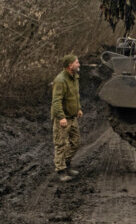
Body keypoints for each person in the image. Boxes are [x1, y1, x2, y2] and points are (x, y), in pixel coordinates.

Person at [52, 54, 83, 182]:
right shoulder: (60, 80)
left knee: (76, 142)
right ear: (70, 65)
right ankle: (61, 171)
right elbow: (56, 101)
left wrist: (78, 108)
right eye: (77, 62)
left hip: (72, 116)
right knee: (61, 145)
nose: (79, 64)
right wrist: (61, 117)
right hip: (63, 118)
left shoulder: (74, 77)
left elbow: (75, 95)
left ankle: (67, 164)